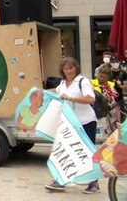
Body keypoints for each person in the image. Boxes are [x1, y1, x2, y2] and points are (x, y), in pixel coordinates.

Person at [44, 57, 99, 194]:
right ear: (62, 70)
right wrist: (39, 91)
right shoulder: (63, 83)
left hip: (86, 122)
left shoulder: (83, 81)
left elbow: (90, 99)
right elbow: (56, 92)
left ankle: (94, 184)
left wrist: (71, 98)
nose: (68, 70)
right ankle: (60, 181)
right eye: (66, 68)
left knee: (87, 153)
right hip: (70, 123)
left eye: (71, 68)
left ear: (76, 68)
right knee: (65, 151)